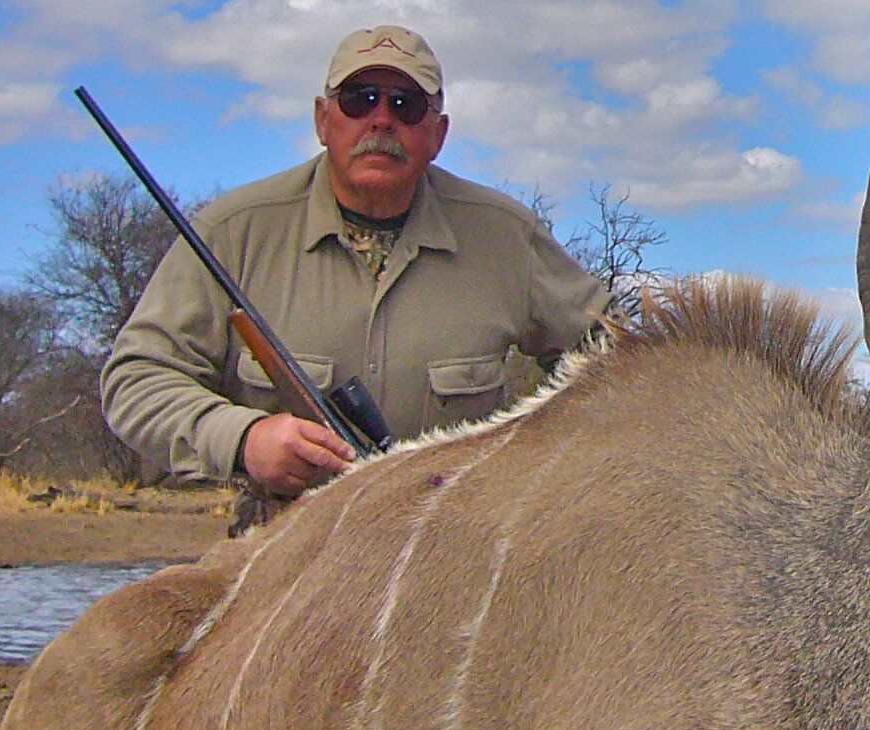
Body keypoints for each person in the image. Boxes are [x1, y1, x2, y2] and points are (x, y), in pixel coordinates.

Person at [103, 26, 606, 519]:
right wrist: (242, 439)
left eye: (406, 104)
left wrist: (537, 478)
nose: (382, 120)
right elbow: (137, 379)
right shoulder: (232, 231)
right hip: (281, 553)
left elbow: (619, 361)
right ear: (323, 120)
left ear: (438, 134)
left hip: (454, 549)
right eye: (358, 99)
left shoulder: (507, 235)